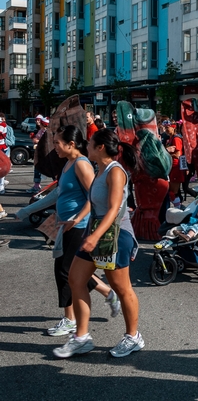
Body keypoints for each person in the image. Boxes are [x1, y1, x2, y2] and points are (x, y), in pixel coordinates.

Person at [53, 129, 143, 359]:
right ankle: (81, 338)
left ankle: (133, 337)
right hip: (94, 233)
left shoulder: (115, 171)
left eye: (91, 143)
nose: (87, 146)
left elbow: (113, 209)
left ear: (101, 147)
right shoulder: (99, 170)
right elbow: (94, 205)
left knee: (122, 289)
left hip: (116, 236)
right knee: (75, 279)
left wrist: (94, 237)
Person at [47, 126, 121, 337]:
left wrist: (77, 219)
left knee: (66, 272)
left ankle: (72, 321)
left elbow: (93, 196)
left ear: (71, 144)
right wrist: (27, 211)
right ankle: (106, 294)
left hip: (79, 226)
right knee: (67, 271)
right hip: (65, 225)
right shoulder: (67, 164)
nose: (55, 148)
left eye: (57, 143)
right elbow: (59, 194)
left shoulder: (82, 164)